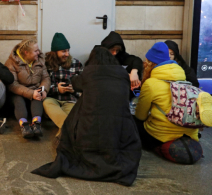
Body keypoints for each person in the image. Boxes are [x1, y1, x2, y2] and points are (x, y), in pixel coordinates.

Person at [32, 47, 142, 186]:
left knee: (81, 105)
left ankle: (64, 133)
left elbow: (76, 83)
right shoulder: (122, 73)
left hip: (91, 130)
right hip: (119, 130)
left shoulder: (90, 72)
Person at [135, 42, 207, 163]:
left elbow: (140, 115)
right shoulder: (183, 79)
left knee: (133, 121)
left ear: (150, 63)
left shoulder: (151, 83)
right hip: (191, 135)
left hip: (162, 137)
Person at [5, 38, 50, 139]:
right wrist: (30, 93)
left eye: (38, 50)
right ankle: (24, 125)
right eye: (36, 51)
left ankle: (36, 124)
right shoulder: (11, 62)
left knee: (38, 97)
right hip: (18, 92)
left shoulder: (40, 60)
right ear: (26, 52)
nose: (39, 52)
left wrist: (43, 89)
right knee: (18, 101)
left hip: (35, 88)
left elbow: (46, 78)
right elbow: (12, 84)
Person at [43, 33, 83, 136]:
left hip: (70, 99)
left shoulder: (76, 64)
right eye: (63, 51)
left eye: (68, 50)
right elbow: (43, 84)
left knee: (72, 114)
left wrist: (74, 90)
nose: (67, 54)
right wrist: (57, 89)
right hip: (52, 98)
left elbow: (83, 84)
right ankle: (68, 132)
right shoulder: (46, 64)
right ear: (55, 52)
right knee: (46, 103)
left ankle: (62, 136)